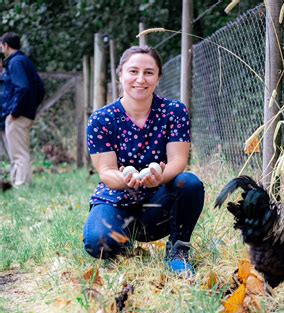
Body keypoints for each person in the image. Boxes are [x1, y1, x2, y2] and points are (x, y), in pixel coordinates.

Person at [83, 46, 204, 276]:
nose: (140, 79)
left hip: (158, 201)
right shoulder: (101, 119)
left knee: (189, 183)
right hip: (117, 199)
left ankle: (178, 251)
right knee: (98, 242)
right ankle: (122, 241)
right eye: (133, 71)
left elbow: (178, 161)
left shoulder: (174, 112)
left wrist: (159, 176)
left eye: (149, 72)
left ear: (158, 77)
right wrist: (125, 179)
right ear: (120, 75)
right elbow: (107, 172)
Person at [0, 32, 45, 187]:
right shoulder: (24, 61)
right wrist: (30, 108)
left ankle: (22, 184)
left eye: (1, 46)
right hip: (23, 114)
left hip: (17, 116)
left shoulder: (15, 62)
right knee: (15, 152)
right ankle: (16, 182)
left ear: (6, 45)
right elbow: (40, 88)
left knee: (19, 153)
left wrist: (15, 111)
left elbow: (23, 87)